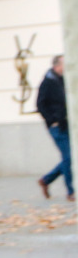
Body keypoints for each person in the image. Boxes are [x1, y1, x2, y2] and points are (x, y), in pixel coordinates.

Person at [37, 55, 73, 202]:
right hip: (57, 127)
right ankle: (71, 191)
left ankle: (46, 180)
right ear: (57, 66)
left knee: (70, 158)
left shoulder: (63, 80)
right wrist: (52, 121)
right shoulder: (48, 82)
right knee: (69, 157)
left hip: (67, 124)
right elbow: (40, 104)